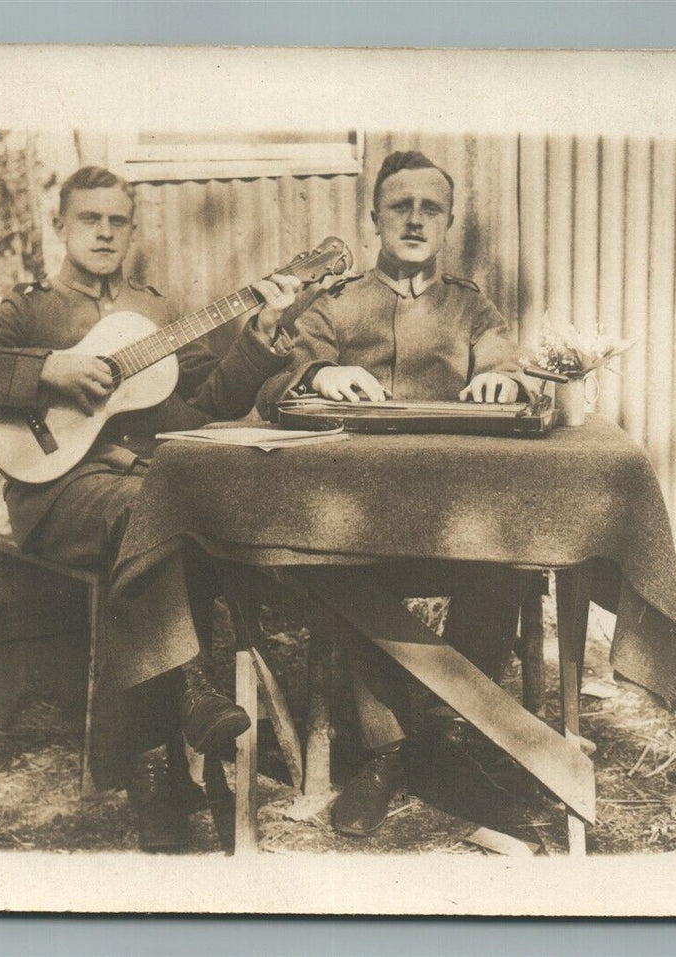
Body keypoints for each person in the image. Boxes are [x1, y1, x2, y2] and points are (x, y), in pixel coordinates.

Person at [0, 166, 301, 852]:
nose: (102, 231)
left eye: (115, 220)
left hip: (143, 493)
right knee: (150, 514)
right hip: (56, 493)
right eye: (87, 218)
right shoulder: (32, 310)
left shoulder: (155, 314)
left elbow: (209, 403)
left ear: (131, 230)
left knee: (169, 516)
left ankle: (165, 771)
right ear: (60, 227)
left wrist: (259, 336)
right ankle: (187, 708)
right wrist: (45, 371)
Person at [256, 150, 535, 837]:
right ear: (373, 219)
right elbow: (280, 375)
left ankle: (446, 738)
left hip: (455, 525)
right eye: (399, 206)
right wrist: (319, 374)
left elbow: (502, 355)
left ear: (447, 224)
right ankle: (385, 750)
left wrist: (502, 379)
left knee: (504, 569)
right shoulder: (337, 302)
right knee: (340, 565)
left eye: (429, 208)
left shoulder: (471, 306)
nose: (414, 219)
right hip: (360, 522)